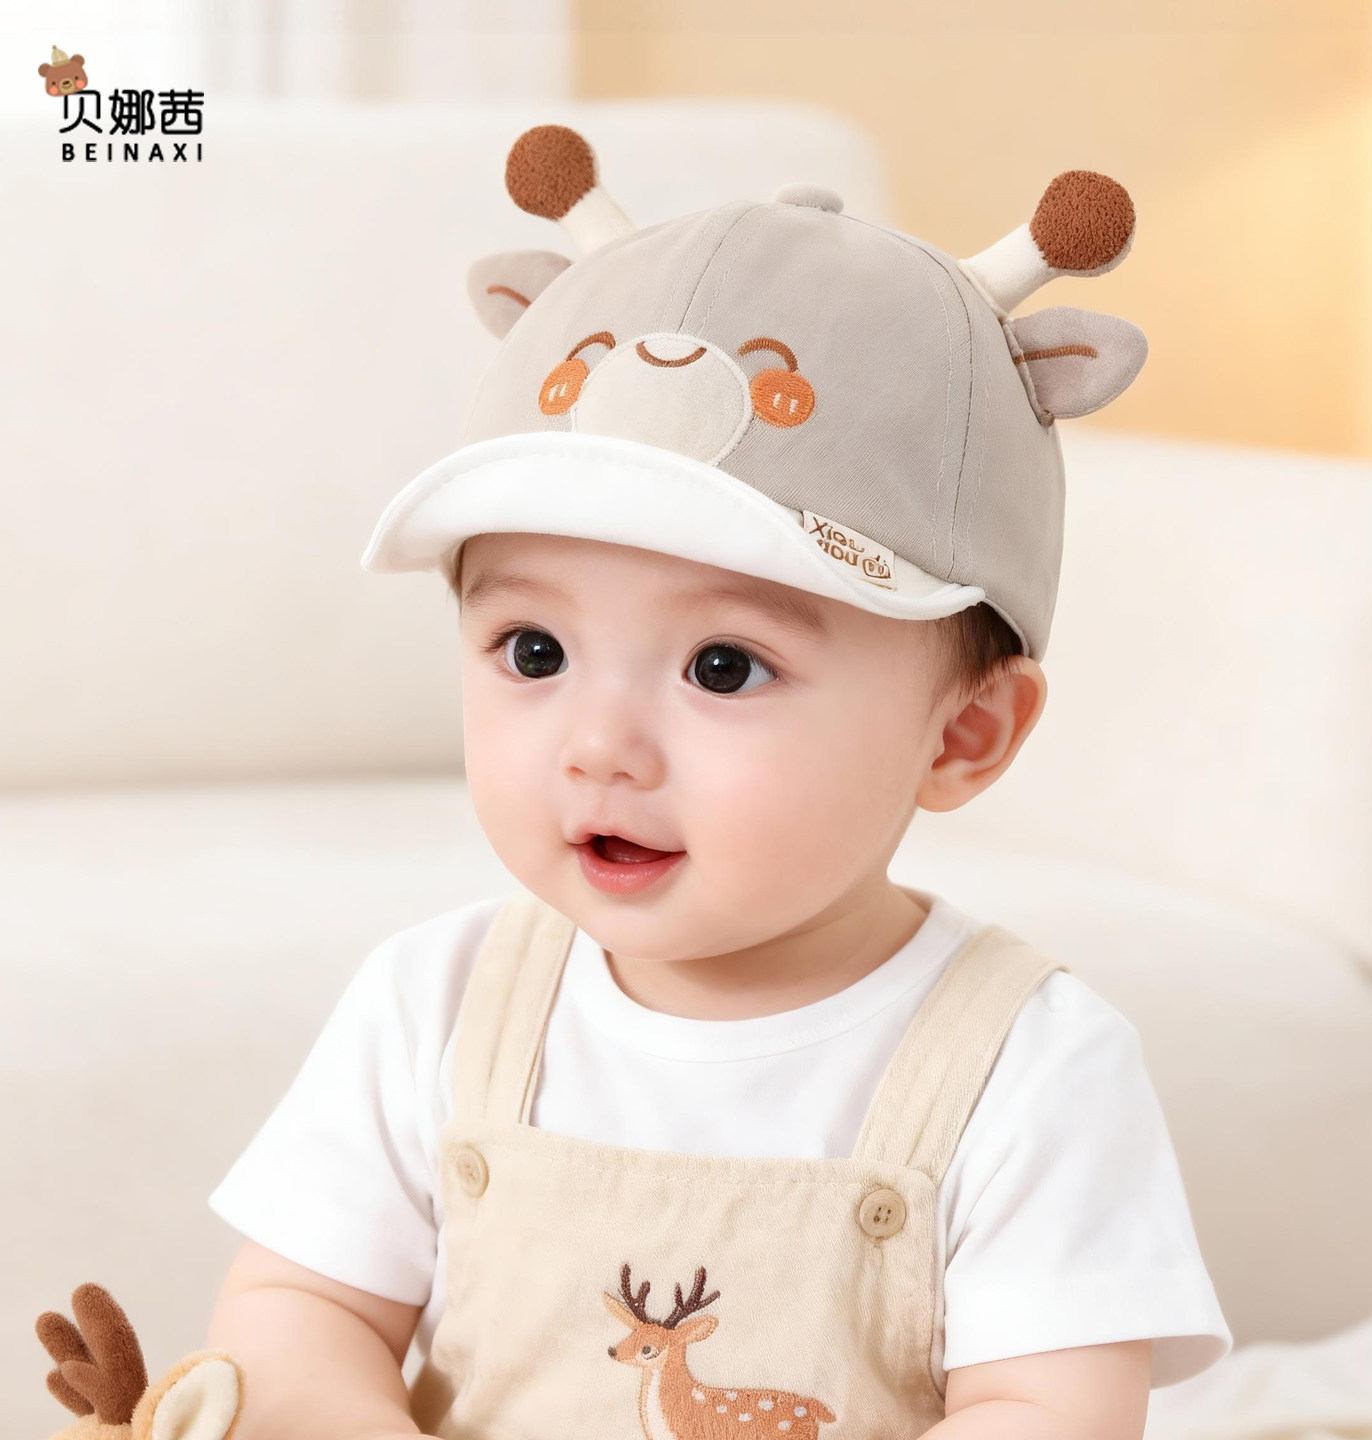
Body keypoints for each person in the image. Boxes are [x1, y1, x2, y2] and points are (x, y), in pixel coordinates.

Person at [206, 123, 1229, 1440]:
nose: (599, 745)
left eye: (724, 668)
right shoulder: (436, 1009)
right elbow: (299, 1315)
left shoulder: (1027, 1066)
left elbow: (1048, 1409)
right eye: (534, 651)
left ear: (961, 736)